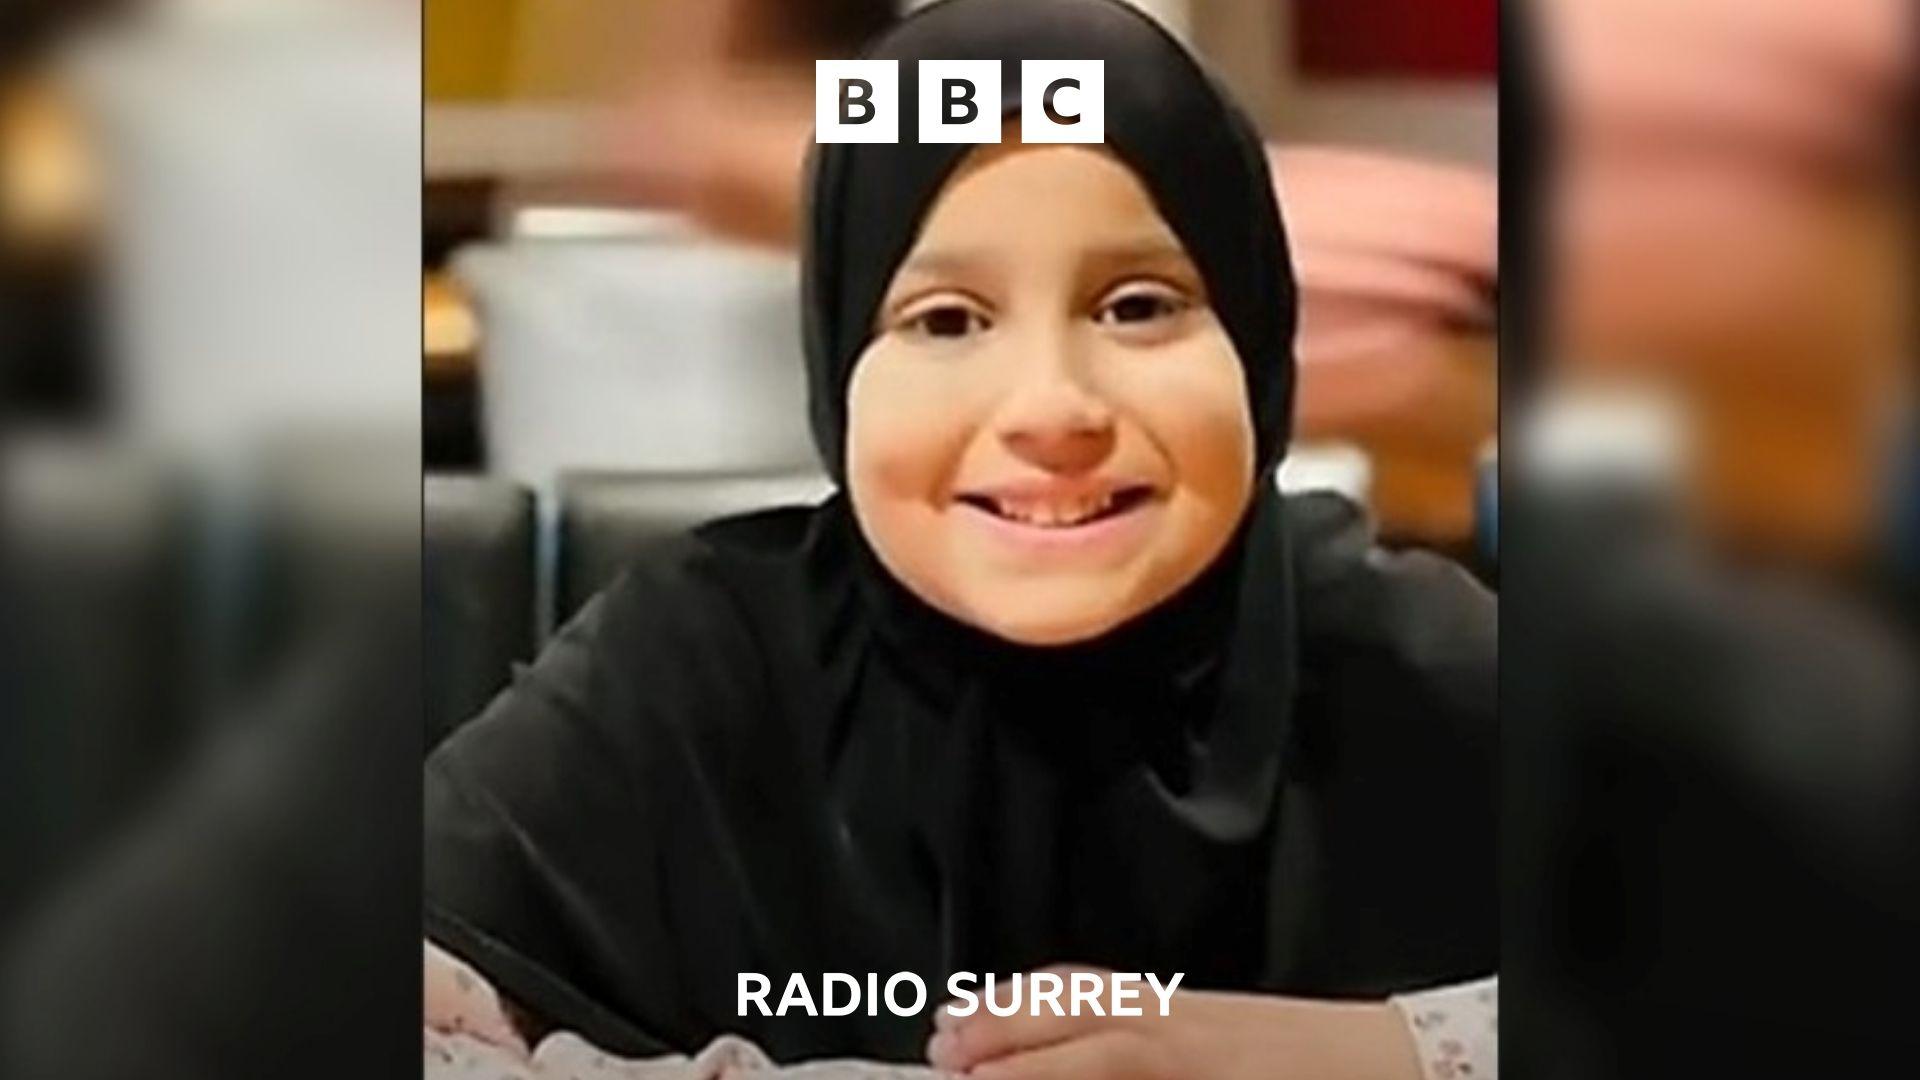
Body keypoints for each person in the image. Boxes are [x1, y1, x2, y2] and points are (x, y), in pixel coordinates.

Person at [424, 0, 1496, 1074]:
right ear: (839, 360)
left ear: (1259, 338)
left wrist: (1379, 1053)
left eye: (1137, 305)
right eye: (945, 320)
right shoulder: (695, 666)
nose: (1052, 406)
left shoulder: (1420, 666)